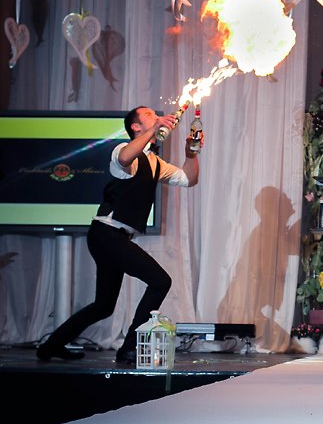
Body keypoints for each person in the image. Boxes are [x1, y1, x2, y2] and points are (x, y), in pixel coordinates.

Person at [36, 106, 203, 363]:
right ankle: (129, 347)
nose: (156, 116)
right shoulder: (123, 151)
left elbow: (188, 179)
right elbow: (126, 158)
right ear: (136, 127)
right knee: (160, 281)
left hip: (114, 238)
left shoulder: (154, 162)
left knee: (104, 305)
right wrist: (155, 127)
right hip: (106, 234)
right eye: (149, 115)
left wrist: (191, 153)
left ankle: (50, 346)